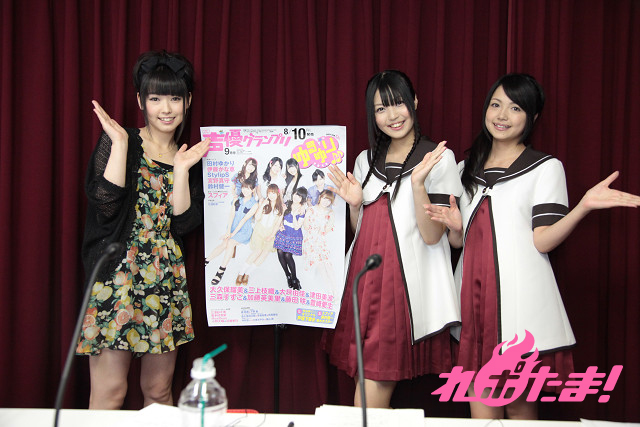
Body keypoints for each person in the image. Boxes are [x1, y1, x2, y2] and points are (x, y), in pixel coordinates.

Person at [425, 73, 640, 419]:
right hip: (473, 306)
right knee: (482, 417)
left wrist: (583, 206)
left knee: (519, 412)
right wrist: (455, 228)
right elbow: (457, 242)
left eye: (515, 108)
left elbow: (543, 240)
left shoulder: (545, 167)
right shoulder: (467, 168)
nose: (502, 115)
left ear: (532, 117)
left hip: (519, 305)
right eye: (496, 105)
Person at [76, 50, 210, 409]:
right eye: (155, 99)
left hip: (165, 278)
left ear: (187, 101)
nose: (166, 109)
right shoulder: (120, 140)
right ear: (140, 101)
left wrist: (181, 170)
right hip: (117, 277)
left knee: (158, 391)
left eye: (175, 99)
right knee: (110, 392)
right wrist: (121, 145)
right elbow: (105, 207)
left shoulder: (190, 158)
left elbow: (184, 224)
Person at [322, 70, 463, 408]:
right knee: (365, 382)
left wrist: (418, 186)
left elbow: (433, 236)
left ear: (414, 101)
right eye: (381, 109)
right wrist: (355, 205)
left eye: (398, 103)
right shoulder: (365, 159)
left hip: (400, 289)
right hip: (362, 282)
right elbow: (360, 230)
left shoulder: (437, 158)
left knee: (371, 390)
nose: (392, 115)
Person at [205, 181, 260, 285]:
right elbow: (231, 215)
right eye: (243, 187)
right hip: (232, 227)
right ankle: (206, 261)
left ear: (253, 190)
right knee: (224, 243)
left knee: (230, 243)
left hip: (244, 231)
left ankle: (221, 270)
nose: (245, 190)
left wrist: (231, 235)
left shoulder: (255, 204)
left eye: (248, 188)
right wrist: (228, 231)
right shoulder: (237, 199)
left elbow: (244, 220)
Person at [235, 183, 285, 285]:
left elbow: (277, 224)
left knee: (264, 254)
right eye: (269, 193)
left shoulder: (281, 208)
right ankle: (241, 273)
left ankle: (247, 274)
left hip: (271, 233)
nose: (271, 195)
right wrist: (262, 205)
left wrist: (271, 235)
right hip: (259, 231)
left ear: (278, 194)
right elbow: (257, 218)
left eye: (273, 193)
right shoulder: (264, 203)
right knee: (257, 252)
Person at [303, 190, 337, 296]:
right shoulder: (311, 210)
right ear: (320, 198)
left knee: (328, 265)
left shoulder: (330, 213)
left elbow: (328, 228)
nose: (326, 202)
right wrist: (313, 226)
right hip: (311, 241)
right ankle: (330, 293)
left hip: (322, 242)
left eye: (329, 200)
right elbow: (306, 226)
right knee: (321, 267)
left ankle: (336, 291)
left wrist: (322, 227)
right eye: (324, 198)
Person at [273, 186, 308, 290]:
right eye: (296, 194)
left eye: (299, 196)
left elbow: (297, 227)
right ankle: (287, 275)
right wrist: (280, 225)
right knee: (280, 252)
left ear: (302, 199)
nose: (296, 197)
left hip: (294, 234)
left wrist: (293, 215)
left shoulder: (302, 210)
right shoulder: (287, 203)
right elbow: (281, 216)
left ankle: (294, 278)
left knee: (288, 255)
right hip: (284, 232)